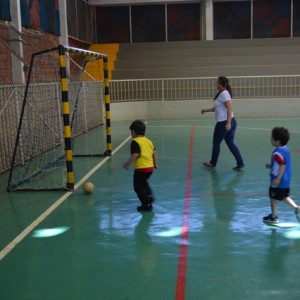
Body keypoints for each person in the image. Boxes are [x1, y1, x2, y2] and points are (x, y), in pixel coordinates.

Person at [201, 76, 244, 170]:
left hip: (224, 123)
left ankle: (212, 163)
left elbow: (229, 108)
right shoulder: (222, 94)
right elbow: (217, 108)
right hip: (231, 121)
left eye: (218, 83)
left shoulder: (224, 93)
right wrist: (206, 110)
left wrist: (228, 123)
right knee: (230, 143)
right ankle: (240, 163)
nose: (217, 84)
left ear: (223, 85)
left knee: (216, 143)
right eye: (217, 83)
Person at [263, 127, 300, 223]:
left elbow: (282, 165)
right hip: (286, 181)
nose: (270, 139)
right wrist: (271, 166)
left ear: (277, 141)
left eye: (272, 138)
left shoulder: (277, 153)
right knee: (284, 196)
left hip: (278, 181)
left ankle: (274, 216)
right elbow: (283, 164)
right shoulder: (286, 150)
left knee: (272, 197)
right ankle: (296, 207)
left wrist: (278, 179)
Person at [123, 120, 158, 212]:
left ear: (133, 132)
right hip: (150, 168)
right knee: (144, 182)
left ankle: (146, 204)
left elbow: (135, 154)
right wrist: (155, 163)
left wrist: (128, 163)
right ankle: (150, 196)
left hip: (141, 168)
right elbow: (154, 152)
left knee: (138, 187)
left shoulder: (135, 141)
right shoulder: (148, 141)